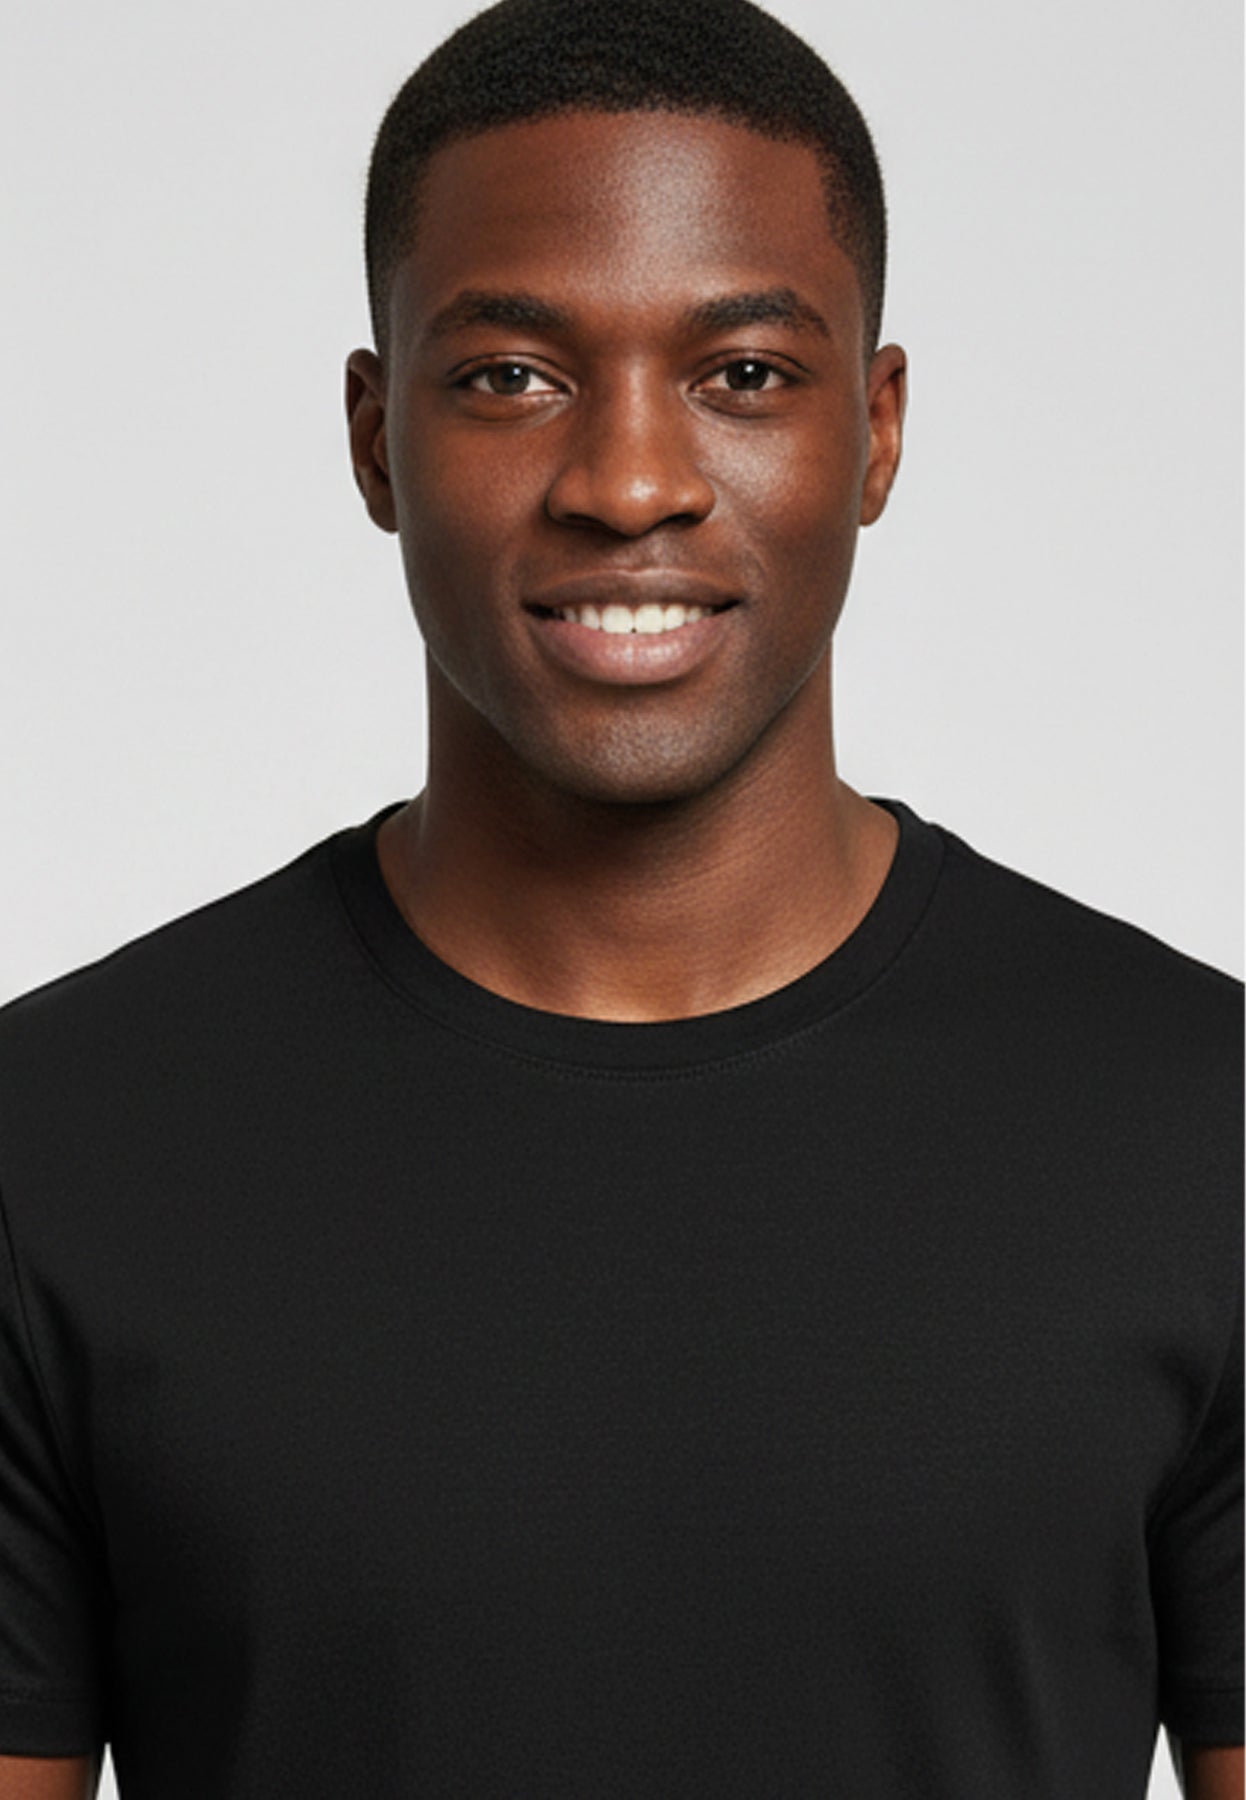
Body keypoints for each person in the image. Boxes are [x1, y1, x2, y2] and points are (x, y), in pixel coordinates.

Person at [0, 0, 1240, 1793]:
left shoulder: (1201, 1127)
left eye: (744, 374)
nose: (630, 483)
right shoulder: (57, 1141)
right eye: (512, 376)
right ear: (375, 437)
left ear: (876, 429)